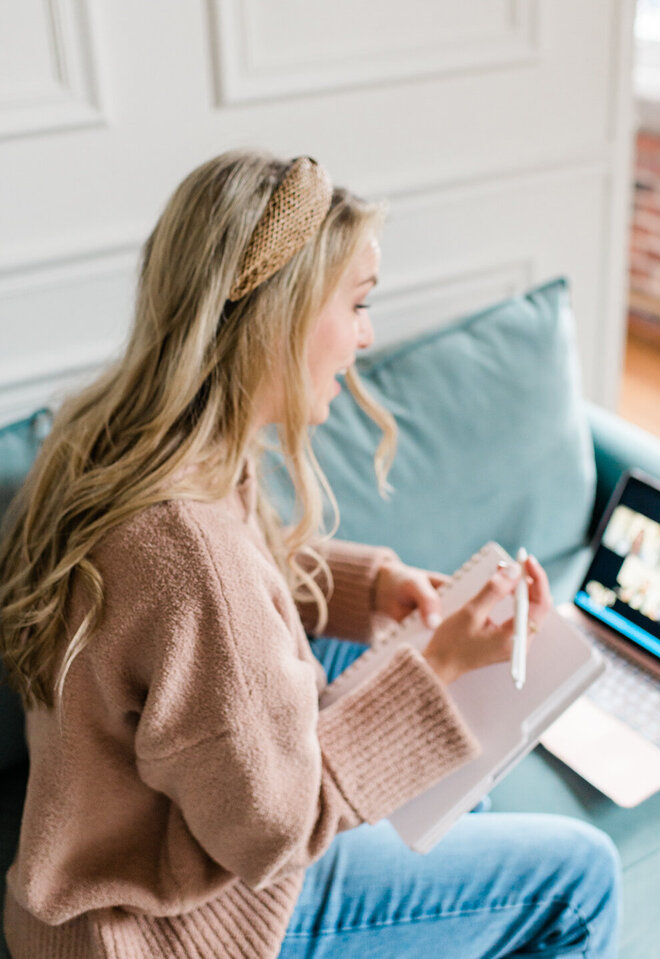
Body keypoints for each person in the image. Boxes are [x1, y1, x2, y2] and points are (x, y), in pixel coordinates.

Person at [0, 151, 621, 959]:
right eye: (356, 304)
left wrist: (368, 588)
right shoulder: (189, 553)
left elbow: (213, 607)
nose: (365, 336)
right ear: (277, 316)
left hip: (98, 874)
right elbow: (275, 827)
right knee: (583, 875)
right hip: (170, 931)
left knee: (388, 712)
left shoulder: (112, 438)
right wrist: (438, 664)